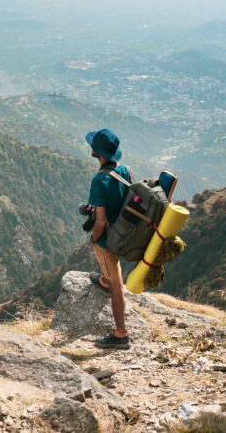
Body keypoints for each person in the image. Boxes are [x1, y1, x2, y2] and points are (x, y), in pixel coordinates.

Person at [84, 128, 132, 350]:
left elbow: (100, 222)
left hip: (108, 241)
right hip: (123, 233)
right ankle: (104, 279)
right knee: (109, 273)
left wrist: (93, 239)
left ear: (96, 152)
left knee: (117, 285)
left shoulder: (99, 180)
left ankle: (120, 334)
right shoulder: (125, 170)